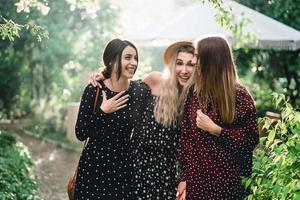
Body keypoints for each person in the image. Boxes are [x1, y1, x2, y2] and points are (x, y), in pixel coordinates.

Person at [89, 41, 196, 199]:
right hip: (134, 168)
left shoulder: (194, 98)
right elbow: (124, 88)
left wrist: (185, 179)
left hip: (165, 176)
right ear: (173, 65)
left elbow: (192, 145)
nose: (184, 70)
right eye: (179, 63)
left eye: (191, 64)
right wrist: (106, 75)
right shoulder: (155, 80)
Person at [177, 36, 259, 200]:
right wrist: (183, 178)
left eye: (198, 56)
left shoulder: (239, 95)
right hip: (197, 185)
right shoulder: (194, 93)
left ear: (211, 60)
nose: (194, 60)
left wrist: (217, 130)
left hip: (229, 185)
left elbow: (251, 139)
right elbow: (186, 139)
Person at [74, 38, 149, 200]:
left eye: (135, 58)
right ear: (112, 61)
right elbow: (80, 133)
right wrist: (102, 111)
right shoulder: (94, 90)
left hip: (124, 169)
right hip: (93, 168)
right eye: (128, 57)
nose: (134, 62)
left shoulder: (139, 91)